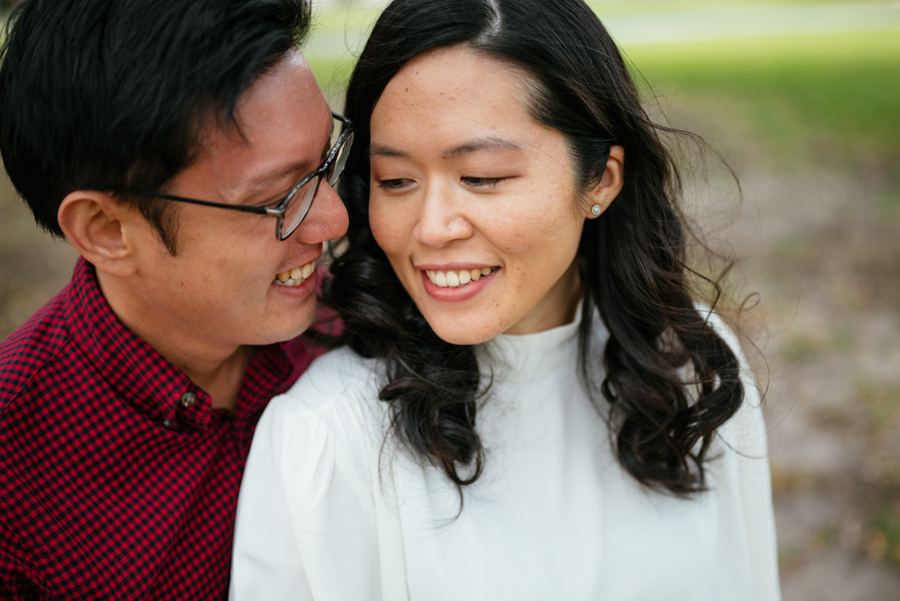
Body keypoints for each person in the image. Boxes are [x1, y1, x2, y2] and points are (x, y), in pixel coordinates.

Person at [231, 0, 780, 598]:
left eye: (483, 176)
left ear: (601, 180)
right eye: (396, 181)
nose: (433, 227)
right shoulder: (327, 435)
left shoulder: (693, 370)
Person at [0, 0, 352, 597]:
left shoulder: (363, 312)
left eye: (325, 164)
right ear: (107, 230)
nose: (335, 221)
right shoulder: (18, 480)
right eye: (276, 198)